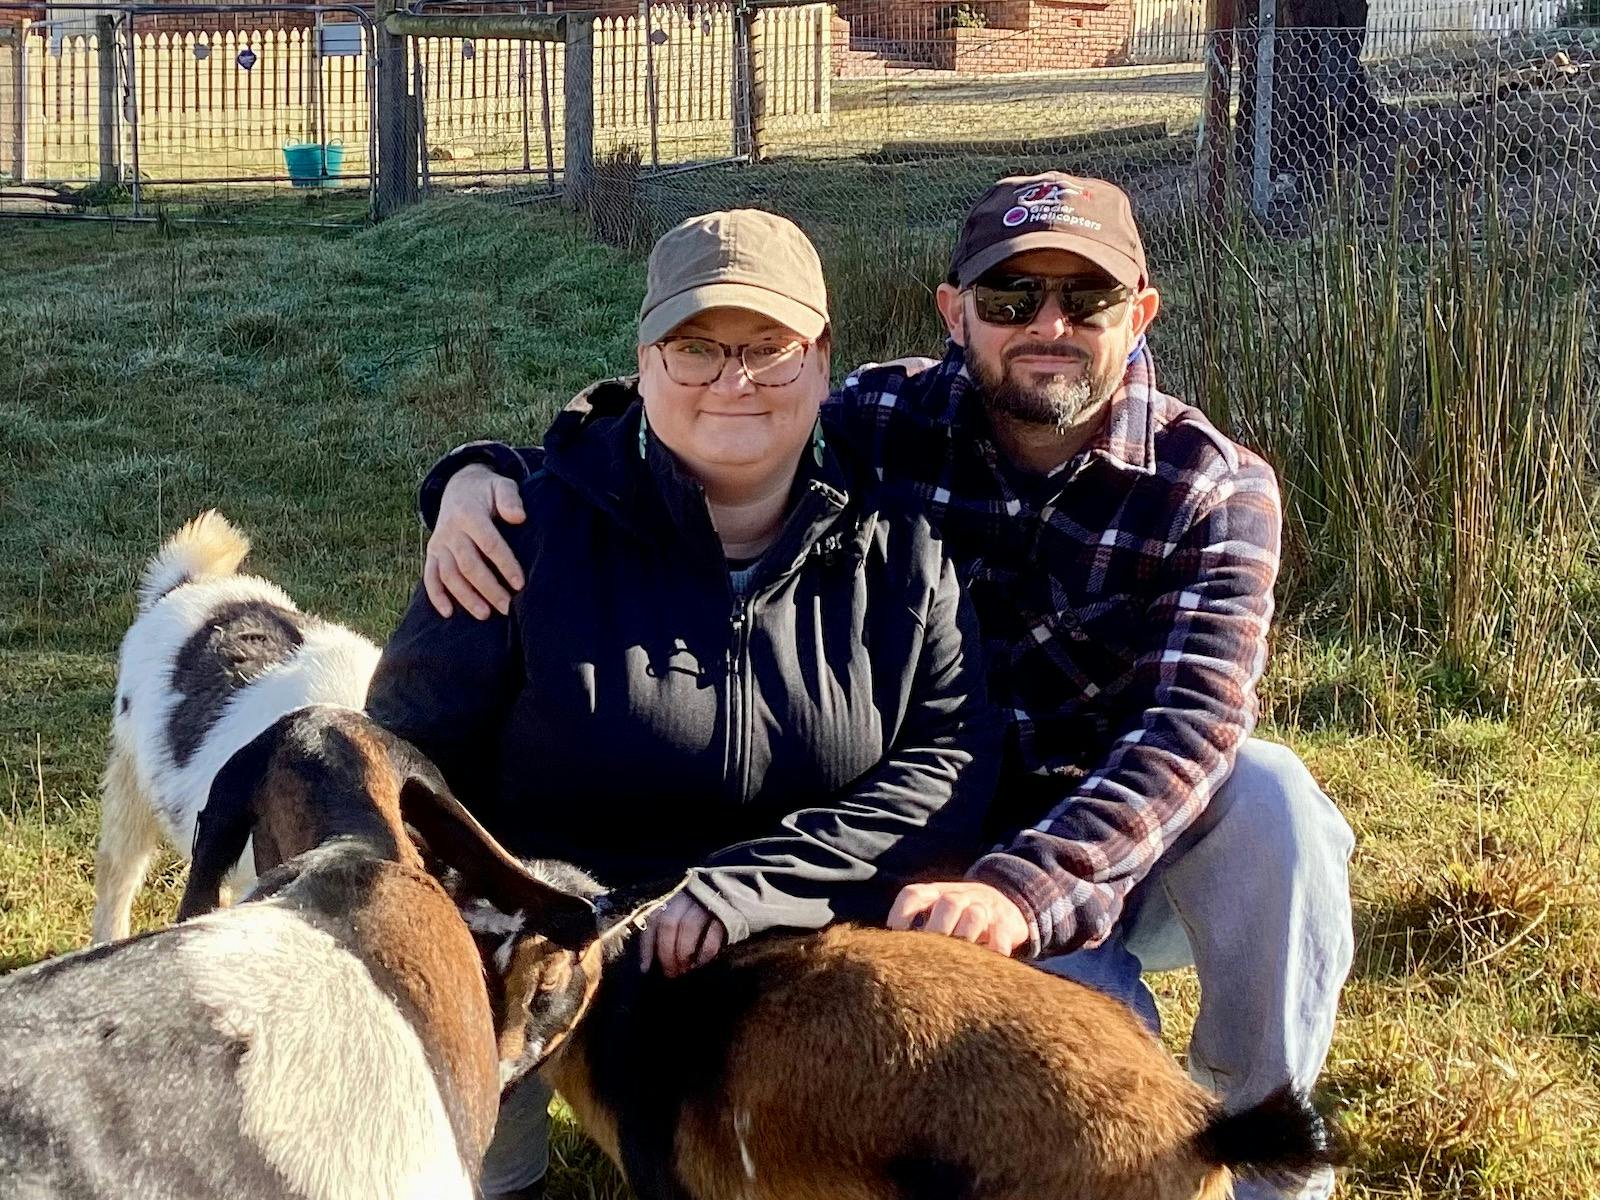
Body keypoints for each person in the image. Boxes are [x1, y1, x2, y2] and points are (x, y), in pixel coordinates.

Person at [418, 173, 1356, 1200]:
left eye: (1083, 300)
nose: (1046, 325)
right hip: (929, 852)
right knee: (1050, 1098)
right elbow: (697, 409)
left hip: (1097, 847)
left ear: (1138, 315)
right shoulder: (879, 415)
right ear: (956, 315)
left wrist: (1022, 890)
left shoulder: (1214, 490)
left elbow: (1188, 732)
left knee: (1274, 803)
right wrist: (480, 473)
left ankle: (1269, 1160)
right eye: (1008, 300)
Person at [366, 209, 998, 1200]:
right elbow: (402, 761)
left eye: (768, 349)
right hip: (547, 946)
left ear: (823, 358)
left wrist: (756, 884)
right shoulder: (516, 535)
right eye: (694, 348)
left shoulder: (900, 546)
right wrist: (493, 918)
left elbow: (949, 759)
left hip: (802, 942)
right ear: (645, 361)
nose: (732, 380)